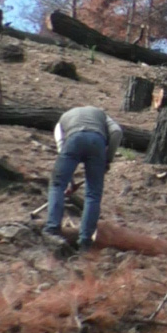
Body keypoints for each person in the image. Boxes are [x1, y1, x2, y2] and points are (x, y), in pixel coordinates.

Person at [43, 106, 123, 251]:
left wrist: (68, 181)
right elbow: (117, 132)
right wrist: (108, 160)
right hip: (97, 142)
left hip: (73, 140)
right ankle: (85, 241)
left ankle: (52, 230)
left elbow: (62, 148)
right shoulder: (101, 114)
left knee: (57, 186)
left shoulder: (62, 121)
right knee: (93, 194)